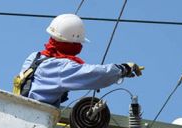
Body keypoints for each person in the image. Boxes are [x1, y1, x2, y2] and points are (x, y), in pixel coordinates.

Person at [13, 13, 142, 107]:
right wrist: (123, 69)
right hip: (35, 117)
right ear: (73, 44)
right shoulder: (61, 67)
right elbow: (94, 74)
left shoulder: (35, 57)